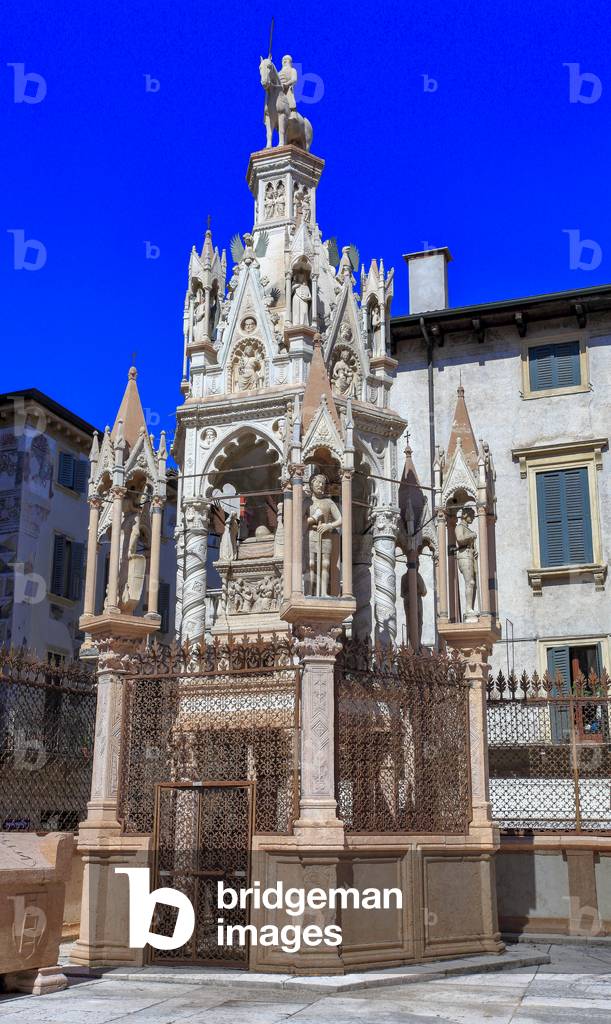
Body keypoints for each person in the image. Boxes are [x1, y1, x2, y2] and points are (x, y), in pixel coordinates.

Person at [306, 474, 342, 597]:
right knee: (311, 563)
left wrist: (329, 526)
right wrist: (314, 518)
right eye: (318, 483)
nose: (320, 485)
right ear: (311, 484)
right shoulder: (307, 502)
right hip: (311, 534)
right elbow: (300, 522)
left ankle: (323, 592)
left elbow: (341, 519)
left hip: (326, 536)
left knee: (325, 564)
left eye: (322, 483)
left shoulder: (329, 502)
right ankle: (310, 591)